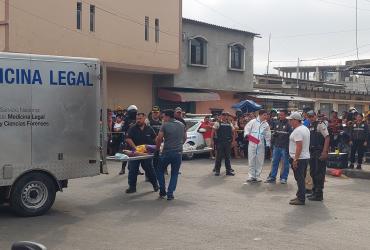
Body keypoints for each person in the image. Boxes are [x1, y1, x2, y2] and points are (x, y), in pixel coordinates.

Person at [155, 109, 186, 200]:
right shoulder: (181, 124)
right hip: (178, 153)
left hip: (167, 152)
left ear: (168, 116)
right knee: (174, 173)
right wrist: (179, 145)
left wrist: (157, 149)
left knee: (159, 170)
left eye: (163, 116)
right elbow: (185, 138)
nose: (163, 118)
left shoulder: (165, 125)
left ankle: (162, 190)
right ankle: (170, 193)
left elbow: (159, 138)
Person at [125, 113, 159, 194]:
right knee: (133, 170)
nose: (138, 120)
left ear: (144, 119)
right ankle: (132, 187)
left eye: (140, 118)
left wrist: (159, 146)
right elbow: (128, 139)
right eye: (137, 119)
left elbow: (155, 138)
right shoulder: (132, 128)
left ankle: (155, 185)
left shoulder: (149, 128)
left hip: (146, 154)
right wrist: (135, 148)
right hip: (135, 153)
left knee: (149, 169)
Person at [287, 112, 310, 205]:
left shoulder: (298, 131)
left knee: (299, 179)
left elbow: (299, 146)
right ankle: (299, 195)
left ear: (296, 120)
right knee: (301, 178)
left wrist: (295, 160)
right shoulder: (304, 128)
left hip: (299, 158)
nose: (289, 122)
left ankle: (301, 198)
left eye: (291, 120)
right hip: (304, 157)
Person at [307, 110, 330, 201]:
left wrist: (325, 151)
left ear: (315, 116)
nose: (311, 118)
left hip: (319, 151)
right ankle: (314, 191)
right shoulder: (310, 126)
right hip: (312, 152)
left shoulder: (320, 124)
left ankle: (319, 194)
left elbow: (327, 137)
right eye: (309, 117)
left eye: (312, 116)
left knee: (319, 173)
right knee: (313, 172)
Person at [265, 110, 292, 184]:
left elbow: (291, 136)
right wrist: (272, 142)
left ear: (286, 115)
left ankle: (283, 178)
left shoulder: (289, 124)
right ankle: (272, 177)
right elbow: (274, 133)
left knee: (285, 163)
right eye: (279, 115)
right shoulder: (276, 122)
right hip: (276, 146)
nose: (280, 116)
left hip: (285, 147)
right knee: (274, 162)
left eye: (282, 115)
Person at [244, 110, 271, 182]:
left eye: (266, 115)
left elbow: (268, 135)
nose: (266, 117)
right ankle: (251, 176)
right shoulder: (253, 122)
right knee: (251, 159)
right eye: (264, 115)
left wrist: (268, 144)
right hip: (252, 143)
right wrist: (247, 135)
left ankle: (257, 176)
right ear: (260, 115)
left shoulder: (266, 124)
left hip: (261, 144)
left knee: (260, 160)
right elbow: (246, 129)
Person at [211, 112, 235, 176]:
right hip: (220, 142)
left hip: (228, 142)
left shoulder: (230, 123)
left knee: (228, 157)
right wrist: (212, 141)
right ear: (221, 116)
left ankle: (228, 171)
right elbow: (213, 131)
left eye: (226, 116)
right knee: (219, 157)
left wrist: (233, 141)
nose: (225, 117)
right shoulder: (217, 123)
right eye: (224, 115)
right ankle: (217, 171)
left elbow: (233, 132)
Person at [119, 105, 140, 175]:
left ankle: (137, 169)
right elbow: (123, 129)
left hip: (136, 138)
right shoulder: (126, 119)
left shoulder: (138, 118)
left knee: (136, 153)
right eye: (132, 111)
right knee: (126, 154)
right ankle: (123, 168)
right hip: (128, 139)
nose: (134, 113)